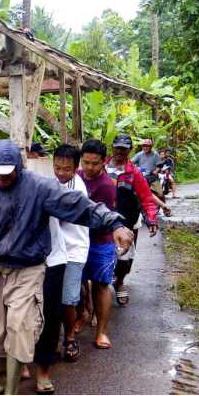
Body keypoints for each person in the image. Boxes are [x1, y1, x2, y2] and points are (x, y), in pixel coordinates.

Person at [0, 140, 133, 395]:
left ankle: (11, 389)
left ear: (18, 168)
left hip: (30, 268)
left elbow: (81, 207)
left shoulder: (40, 188)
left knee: (20, 327)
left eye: (6, 174)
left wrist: (115, 224)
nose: (1, 179)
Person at [32, 144, 90, 394]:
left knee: (66, 300)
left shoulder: (78, 187)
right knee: (47, 302)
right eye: (57, 167)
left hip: (74, 248)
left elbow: (64, 214)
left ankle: (69, 338)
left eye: (67, 169)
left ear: (76, 169)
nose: (61, 173)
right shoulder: (49, 181)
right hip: (53, 250)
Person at [106, 134, 159, 307]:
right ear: (112, 147)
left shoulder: (134, 173)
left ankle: (119, 281)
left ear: (129, 150)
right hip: (101, 222)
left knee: (124, 258)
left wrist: (151, 219)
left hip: (126, 223)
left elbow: (146, 198)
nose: (120, 151)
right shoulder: (101, 166)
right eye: (117, 147)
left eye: (124, 148)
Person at [75, 139, 119, 350]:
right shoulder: (75, 177)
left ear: (104, 162)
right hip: (78, 241)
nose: (89, 168)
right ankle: (83, 312)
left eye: (95, 163)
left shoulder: (107, 186)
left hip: (100, 242)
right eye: (86, 162)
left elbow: (103, 219)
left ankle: (101, 331)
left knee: (101, 285)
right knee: (78, 283)